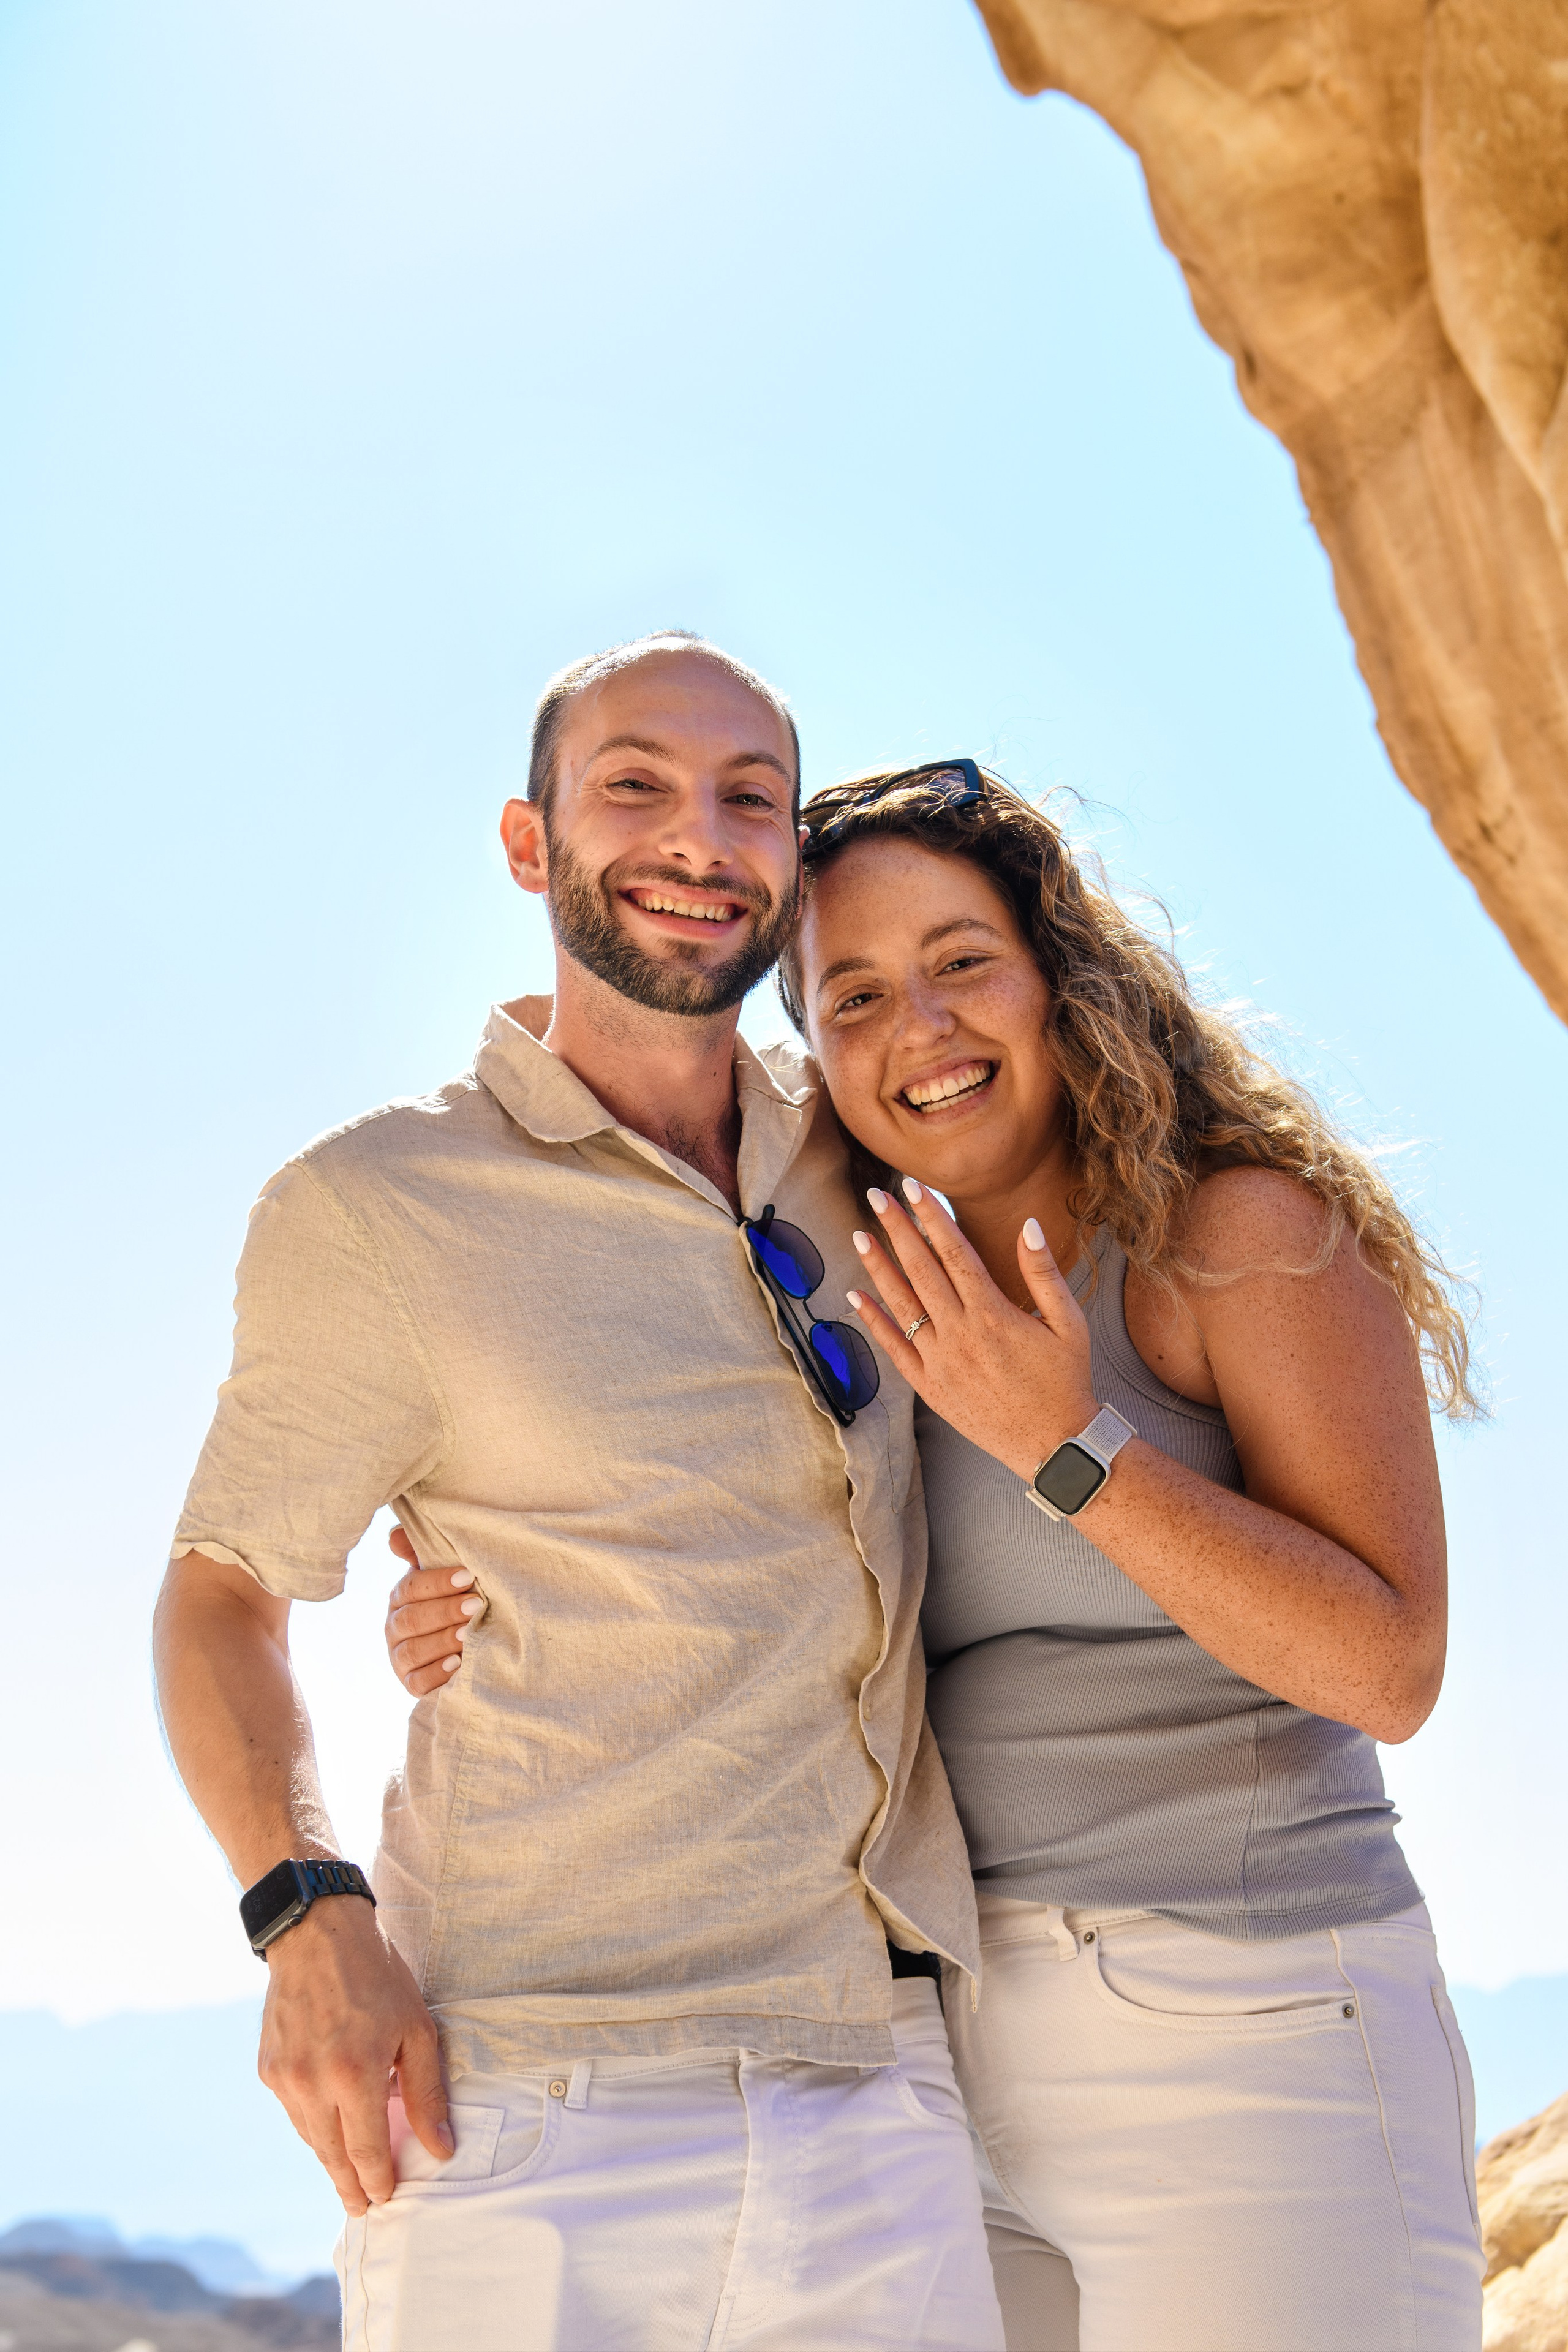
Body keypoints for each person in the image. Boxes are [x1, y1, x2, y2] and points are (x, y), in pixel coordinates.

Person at [390, 759, 1488, 2352]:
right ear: (813, 1052)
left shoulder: (1231, 1242)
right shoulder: (842, 1284)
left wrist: (1071, 1444)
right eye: (856, 996)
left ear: (1059, 980)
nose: (925, 1030)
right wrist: (469, 1606)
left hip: (1250, 2029)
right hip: (929, 2061)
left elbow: (1389, 1666)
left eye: (962, 963)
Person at [152, 642, 1005, 2352]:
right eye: (635, 785)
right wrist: (303, 1911)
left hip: (881, 2093)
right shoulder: (377, 1206)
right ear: (529, 846)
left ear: (791, 868)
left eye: (749, 799)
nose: (699, 837)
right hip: (527, 2104)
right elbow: (225, 1592)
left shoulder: (875, 1151)